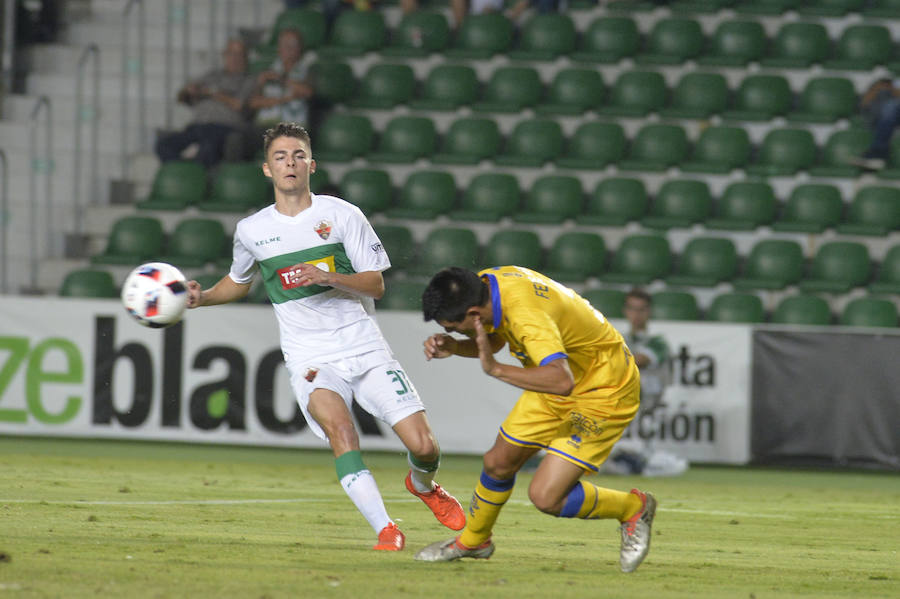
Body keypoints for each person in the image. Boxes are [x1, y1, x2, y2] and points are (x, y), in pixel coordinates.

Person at [184, 122, 465, 551]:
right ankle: (386, 530)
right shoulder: (253, 230)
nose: (290, 164)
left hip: (364, 346)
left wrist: (327, 275)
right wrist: (201, 297)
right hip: (311, 356)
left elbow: (375, 285)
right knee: (341, 431)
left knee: (424, 446)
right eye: (280, 157)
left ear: (311, 164)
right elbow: (239, 281)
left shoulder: (341, 215)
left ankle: (423, 484)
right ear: (267, 169)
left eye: (297, 155)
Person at [415, 266, 657, 573]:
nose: (454, 332)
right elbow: (498, 340)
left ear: (474, 313)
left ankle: (634, 508)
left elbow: (561, 381)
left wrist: (497, 370)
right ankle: (474, 541)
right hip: (558, 380)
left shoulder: (527, 315)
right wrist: (456, 347)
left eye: (455, 328)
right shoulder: (487, 284)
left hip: (602, 390)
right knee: (498, 462)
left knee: (546, 497)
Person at [606, 288, 688, 477]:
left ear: (648, 312)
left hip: (649, 409)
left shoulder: (657, 342)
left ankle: (638, 462)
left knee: (661, 465)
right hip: (622, 408)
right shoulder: (619, 339)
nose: (636, 314)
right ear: (625, 311)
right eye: (632, 309)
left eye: (641, 309)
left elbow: (638, 360)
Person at [155, 38, 256, 169]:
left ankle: (195, 176)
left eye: (239, 54)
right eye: (231, 53)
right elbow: (181, 98)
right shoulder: (211, 76)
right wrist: (189, 91)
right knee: (163, 145)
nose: (235, 58)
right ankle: (185, 171)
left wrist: (212, 93)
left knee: (208, 149)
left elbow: (238, 104)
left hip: (224, 128)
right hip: (197, 126)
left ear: (245, 57)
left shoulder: (249, 80)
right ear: (224, 55)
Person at [248, 29, 314, 131]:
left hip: (293, 127)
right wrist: (282, 99)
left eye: (292, 44)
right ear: (279, 48)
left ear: (300, 48)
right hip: (266, 125)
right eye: (284, 44)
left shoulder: (306, 70)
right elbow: (253, 102)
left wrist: (280, 79)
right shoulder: (268, 70)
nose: (288, 48)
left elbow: (307, 92)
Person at [850, 78, 900, 170]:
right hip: (881, 117)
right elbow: (864, 105)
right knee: (887, 105)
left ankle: (878, 154)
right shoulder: (894, 82)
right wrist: (878, 89)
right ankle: (877, 154)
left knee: (891, 105)